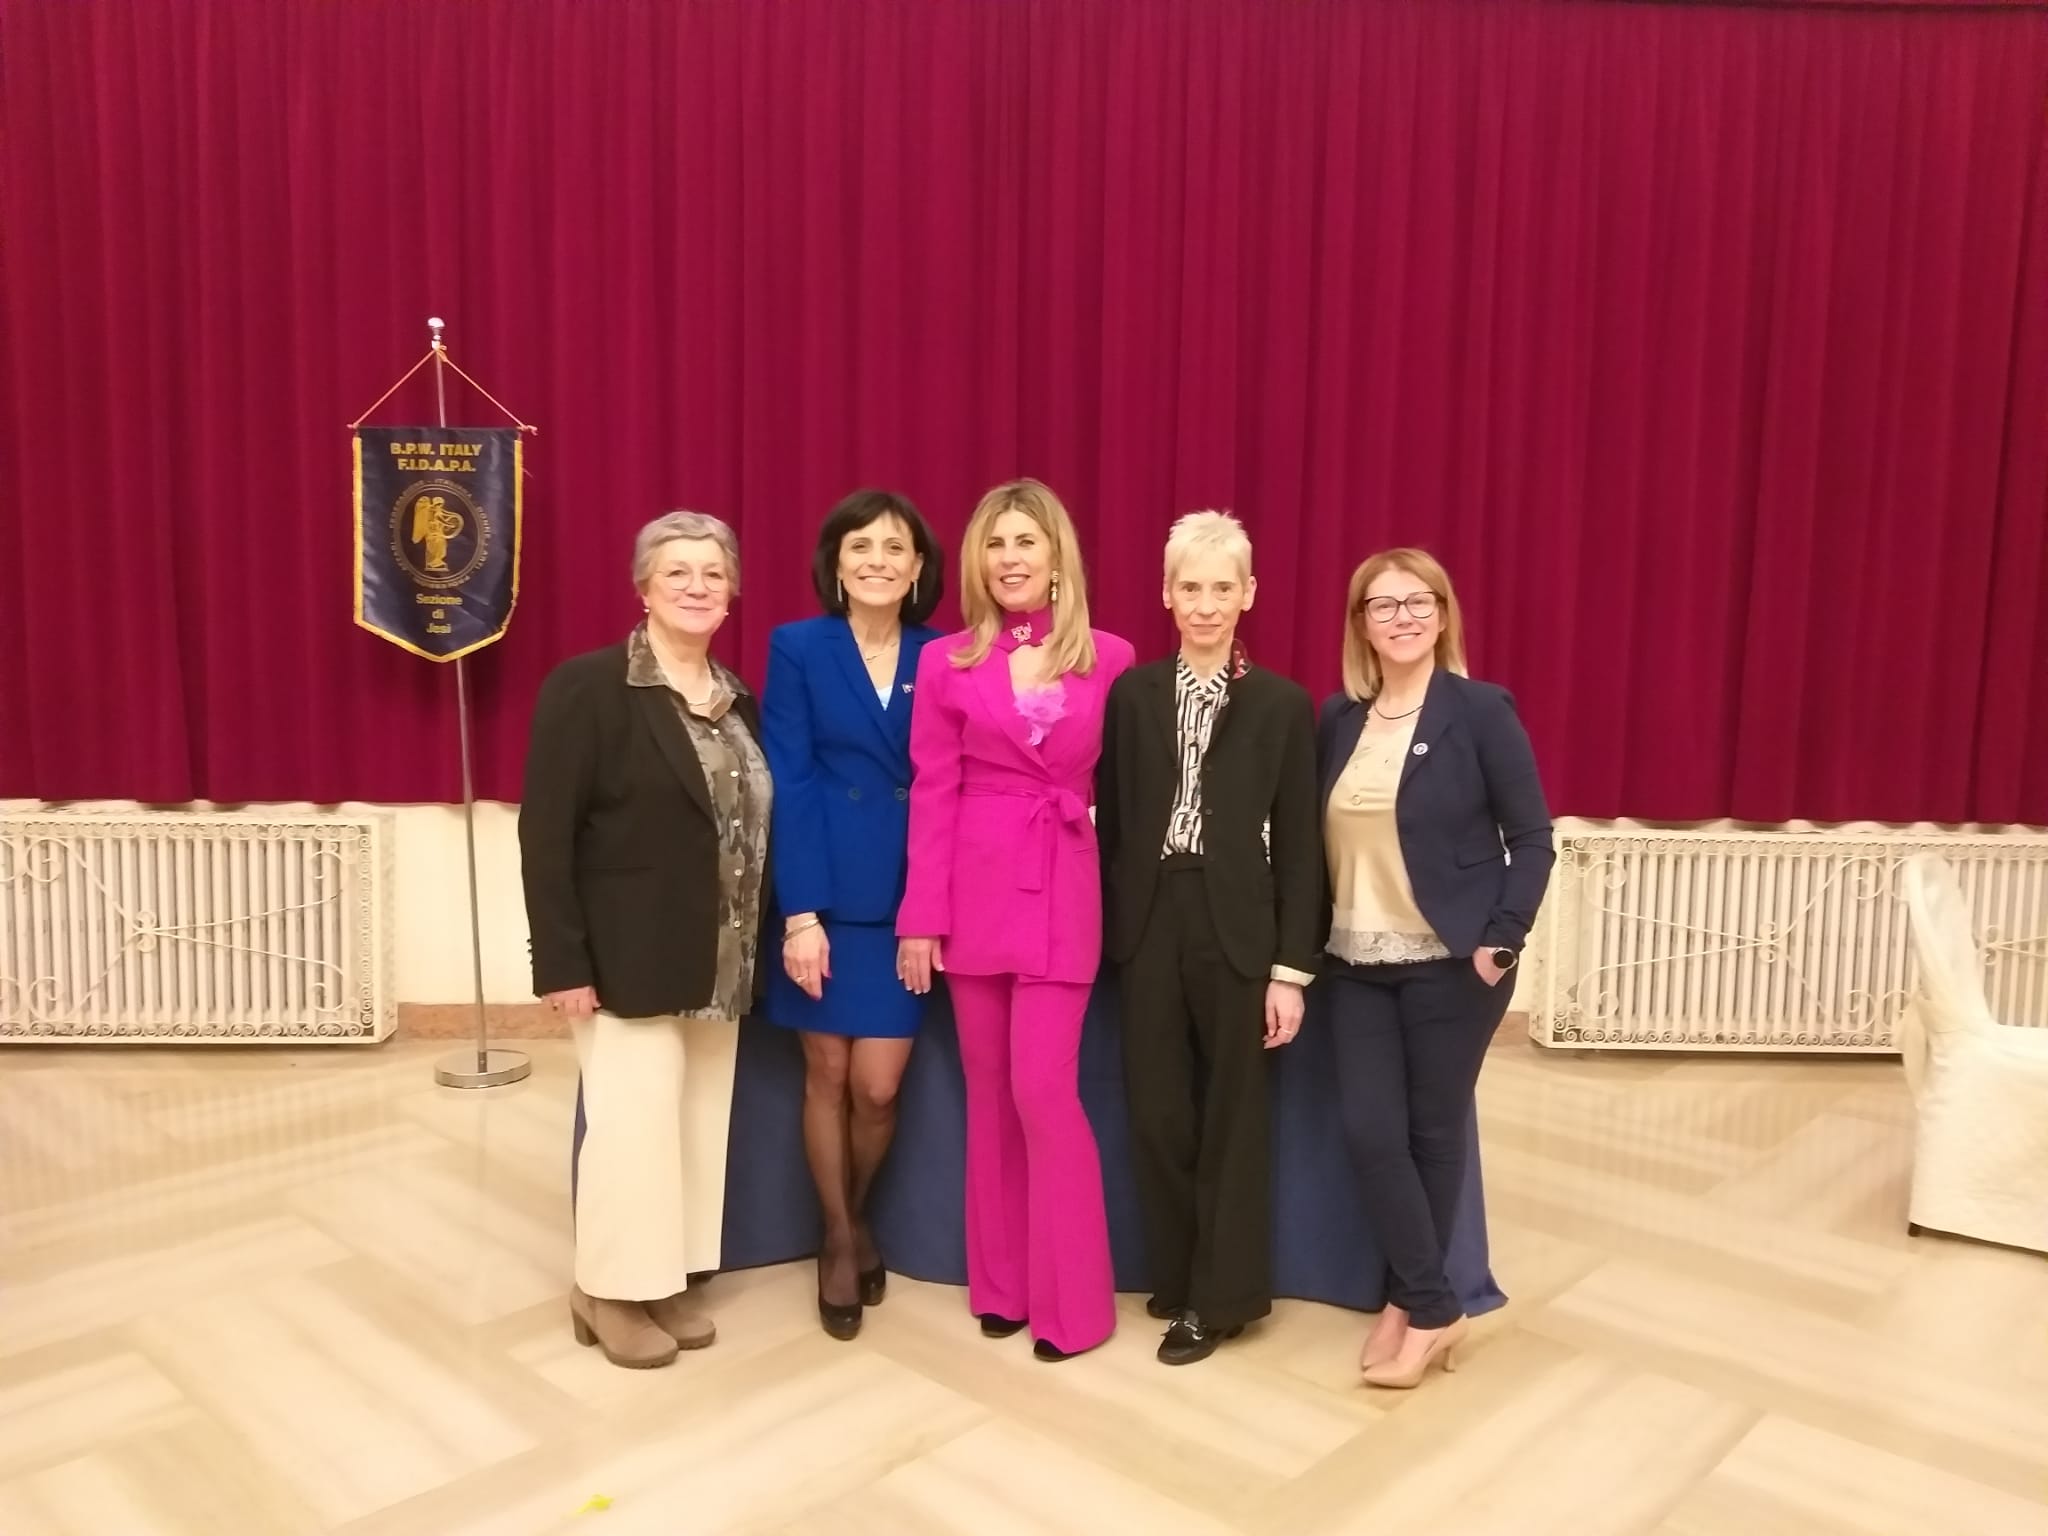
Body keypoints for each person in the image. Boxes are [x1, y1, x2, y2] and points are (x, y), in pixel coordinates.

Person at [519, 511, 772, 1369]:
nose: (697, 586)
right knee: (632, 1126)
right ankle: (606, 1289)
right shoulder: (588, 688)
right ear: (644, 589)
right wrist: (561, 962)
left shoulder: (737, 698)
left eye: (713, 573)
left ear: (732, 592)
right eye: (678, 572)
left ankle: (664, 1276)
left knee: (695, 1121)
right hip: (624, 956)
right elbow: (545, 835)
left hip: (720, 956)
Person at [896, 477, 1134, 1362]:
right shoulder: (946, 661)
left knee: (1044, 1092)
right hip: (972, 896)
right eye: (995, 544)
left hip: (1063, 885)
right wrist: (921, 918)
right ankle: (1000, 1288)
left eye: (1025, 541)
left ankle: (1075, 1305)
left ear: (1056, 553)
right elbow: (932, 790)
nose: (1009, 559)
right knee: (990, 1095)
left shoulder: (1111, 657)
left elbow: (1131, 788)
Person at [1316, 547, 1553, 1388]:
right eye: (1383, 605)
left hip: (1454, 962)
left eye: (1419, 601)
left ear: (1443, 614)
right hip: (1354, 957)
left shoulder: (1479, 710)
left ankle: (1418, 1306)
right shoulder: (1338, 720)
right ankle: (1427, 1301)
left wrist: (1502, 939)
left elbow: (1532, 838)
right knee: (1370, 1132)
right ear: (1361, 625)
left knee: (1433, 1133)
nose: (1403, 617)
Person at [1096, 511, 1321, 1365]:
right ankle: (1180, 1273)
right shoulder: (1133, 696)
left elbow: (1299, 844)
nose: (1205, 604)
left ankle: (1222, 1299)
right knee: (1157, 1110)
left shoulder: (1281, 705)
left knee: (1233, 1114)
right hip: (1152, 920)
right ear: (1166, 594)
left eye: (1222, 588)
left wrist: (1289, 968)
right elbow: (1117, 825)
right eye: (1190, 587)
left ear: (1248, 594)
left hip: (1238, 927)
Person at [760, 489, 945, 1341]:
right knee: (827, 1075)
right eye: (860, 546)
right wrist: (800, 914)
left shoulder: (944, 654)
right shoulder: (798, 646)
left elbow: (949, 781)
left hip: (908, 896)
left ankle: (856, 1210)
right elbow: (790, 777)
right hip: (825, 892)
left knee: (878, 1087)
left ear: (917, 567)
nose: (877, 561)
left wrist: (929, 908)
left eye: (894, 548)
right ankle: (840, 1239)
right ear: (836, 563)